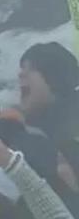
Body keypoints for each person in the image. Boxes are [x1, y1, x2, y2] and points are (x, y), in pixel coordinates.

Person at [19, 42, 79, 187]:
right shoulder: (24, 130)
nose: (20, 74)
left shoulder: (71, 132)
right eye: (22, 69)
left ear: (55, 78)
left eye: (31, 69)